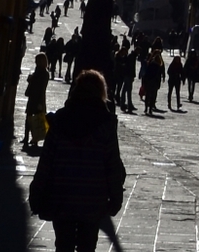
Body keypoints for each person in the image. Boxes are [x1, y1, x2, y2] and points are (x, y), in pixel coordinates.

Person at [28, 68, 126, 252]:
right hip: (93, 199)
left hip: (62, 196)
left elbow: (46, 162)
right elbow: (112, 164)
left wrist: (36, 193)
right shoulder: (106, 124)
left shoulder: (60, 120)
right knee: (87, 246)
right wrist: (116, 198)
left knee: (63, 245)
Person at [23, 51, 51, 153]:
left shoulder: (44, 73)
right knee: (29, 118)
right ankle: (26, 137)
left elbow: (42, 88)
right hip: (32, 97)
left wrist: (40, 103)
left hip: (38, 98)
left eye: (38, 60)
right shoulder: (37, 71)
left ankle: (35, 139)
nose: (36, 62)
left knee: (38, 119)